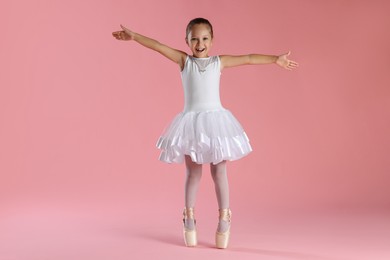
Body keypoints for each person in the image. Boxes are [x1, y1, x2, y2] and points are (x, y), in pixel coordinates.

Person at [112, 17, 298, 249]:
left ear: (212, 40)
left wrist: (275, 60)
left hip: (215, 123)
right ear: (187, 41)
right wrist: (135, 37)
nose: (200, 43)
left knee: (219, 170)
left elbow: (249, 58)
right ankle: (189, 218)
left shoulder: (219, 62)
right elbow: (159, 46)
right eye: (195, 39)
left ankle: (224, 218)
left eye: (205, 39)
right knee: (193, 172)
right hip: (191, 123)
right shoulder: (183, 61)